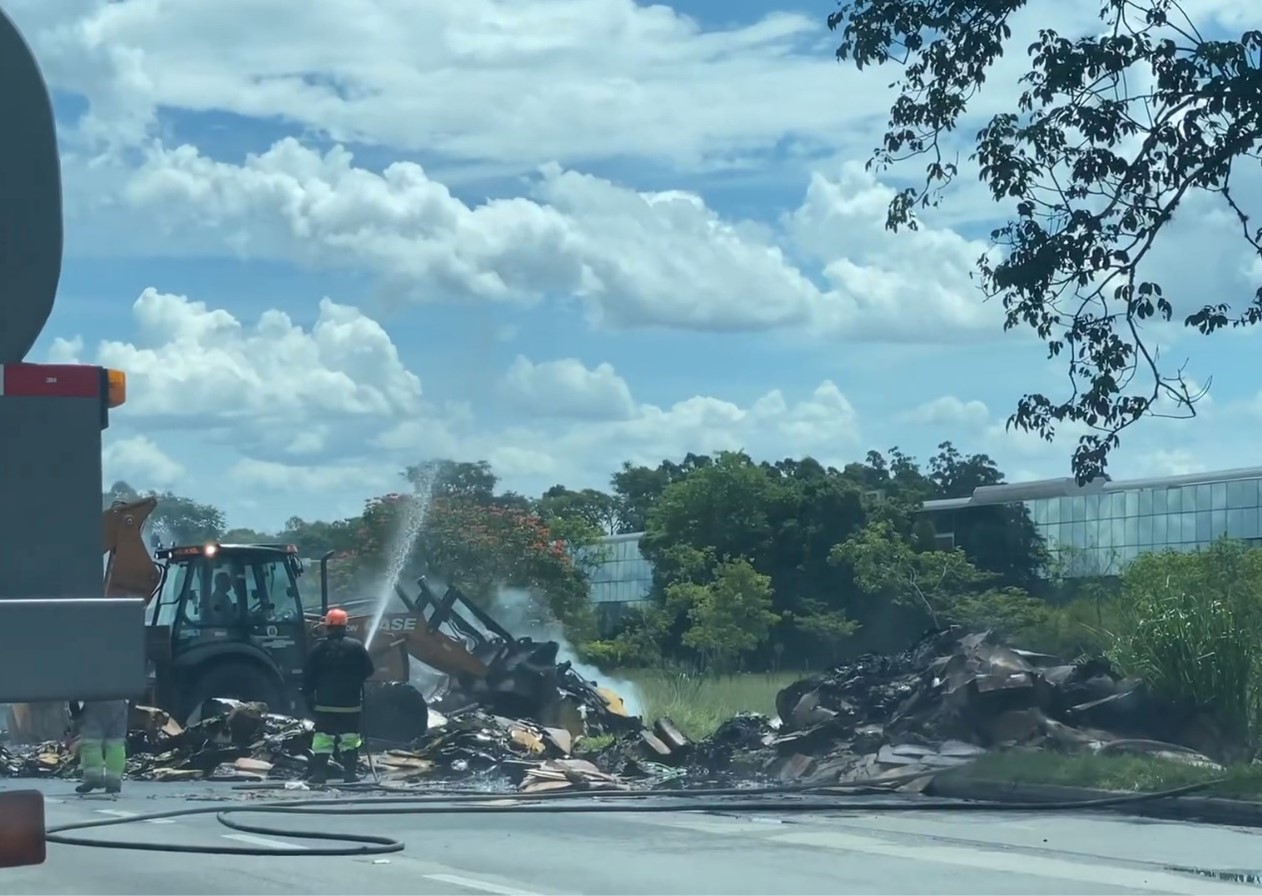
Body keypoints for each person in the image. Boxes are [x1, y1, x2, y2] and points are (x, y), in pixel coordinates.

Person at [302, 607, 374, 784]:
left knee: (323, 738)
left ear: (327, 626)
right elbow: (369, 670)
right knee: (350, 739)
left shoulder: (318, 648)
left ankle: (320, 774)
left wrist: (308, 695)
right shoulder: (356, 647)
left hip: (325, 704)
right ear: (345, 626)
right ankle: (350, 774)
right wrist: (355, 681)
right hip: (351, 704)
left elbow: (308, 675)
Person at [68, 699, 129, 794]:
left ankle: (93, 778)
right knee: (115, 743)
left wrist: (74, 707)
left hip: (92, 701)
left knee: (92, 743)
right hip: (119, 701)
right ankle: (114, 781)